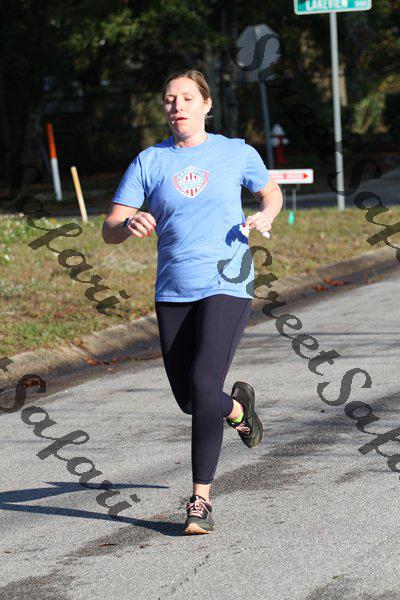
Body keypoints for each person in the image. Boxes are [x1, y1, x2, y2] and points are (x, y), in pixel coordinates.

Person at [102, 69, 283, 535]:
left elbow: (271, 193)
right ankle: (237, 409)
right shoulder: (149, 161)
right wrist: (128, 225)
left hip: (227, 281)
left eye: (186, 97)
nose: (177, 106)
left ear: (206, 104)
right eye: (169, 99)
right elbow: (110, 227)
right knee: (190, 399)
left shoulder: (235, 152)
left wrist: (265, 215)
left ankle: (200, 500)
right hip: (173, 290)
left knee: (204, 384)